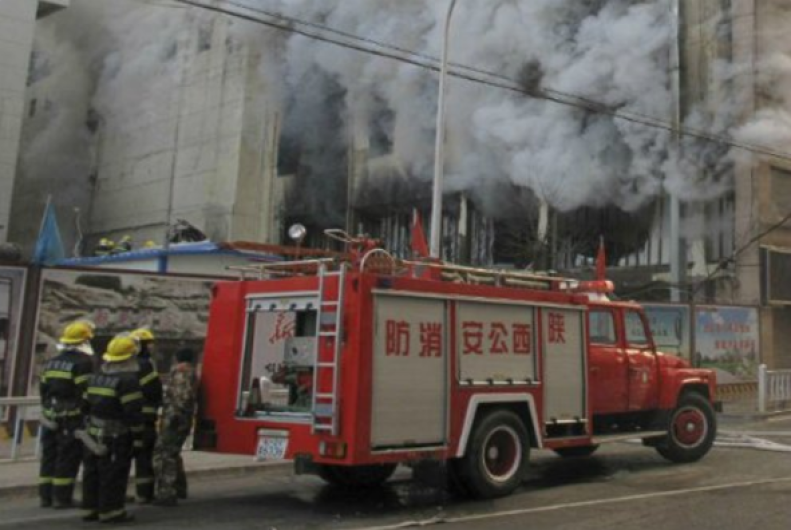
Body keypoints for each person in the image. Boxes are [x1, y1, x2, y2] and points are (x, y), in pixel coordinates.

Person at [82, 334, 144, 524]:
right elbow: (133, 413)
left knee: (92, 472)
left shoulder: (95, 377)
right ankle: (111, 511)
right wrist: (139, 438)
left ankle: (90, 508)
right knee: (114, 474)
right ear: (130, 357)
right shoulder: (129, 381)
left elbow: (85, 405)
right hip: (116, 436)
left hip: (93, 434)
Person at [38, 320, 96, 509]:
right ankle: (61, 498)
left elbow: (43, 389)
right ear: (84, 341)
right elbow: (86, 393)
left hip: (50, 416)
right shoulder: (83, 363)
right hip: (71, 419)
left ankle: (45, 496)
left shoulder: (52, 361)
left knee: (49, 455)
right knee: (67, 457)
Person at [152, 348, 197, 507]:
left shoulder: (181, 372)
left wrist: (174, 417)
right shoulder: (191, 371)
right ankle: (179, 487)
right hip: (183, 418)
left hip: (174, 418)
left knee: (164, 454)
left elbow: (180, 396)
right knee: (173, 452)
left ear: (177, 358)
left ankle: (167, 493)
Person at [129, 328, 163, 503]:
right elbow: (153, 390)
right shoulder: (145, 365)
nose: (152, 346)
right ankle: (144, 494)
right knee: (144, 458)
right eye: (149, 343)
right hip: (145, 420)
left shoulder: (121, 364)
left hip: (125, 420)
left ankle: (116, 494)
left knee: (123, 458)